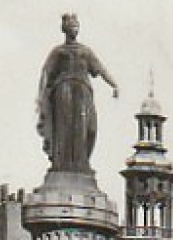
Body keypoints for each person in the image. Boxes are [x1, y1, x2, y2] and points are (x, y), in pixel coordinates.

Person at [34, 13, 119, 173]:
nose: (75, 28)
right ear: (65, 29)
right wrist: (41, 96)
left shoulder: (85, 51)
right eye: (72, 26)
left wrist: (114, 84)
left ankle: (82, 163)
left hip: (83, 93)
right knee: (64, 128)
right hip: (63, 91)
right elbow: (46, 72)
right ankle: (61, 166)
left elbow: (100, 69)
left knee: (88, 128)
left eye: (76, 25)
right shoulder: (58, 52)